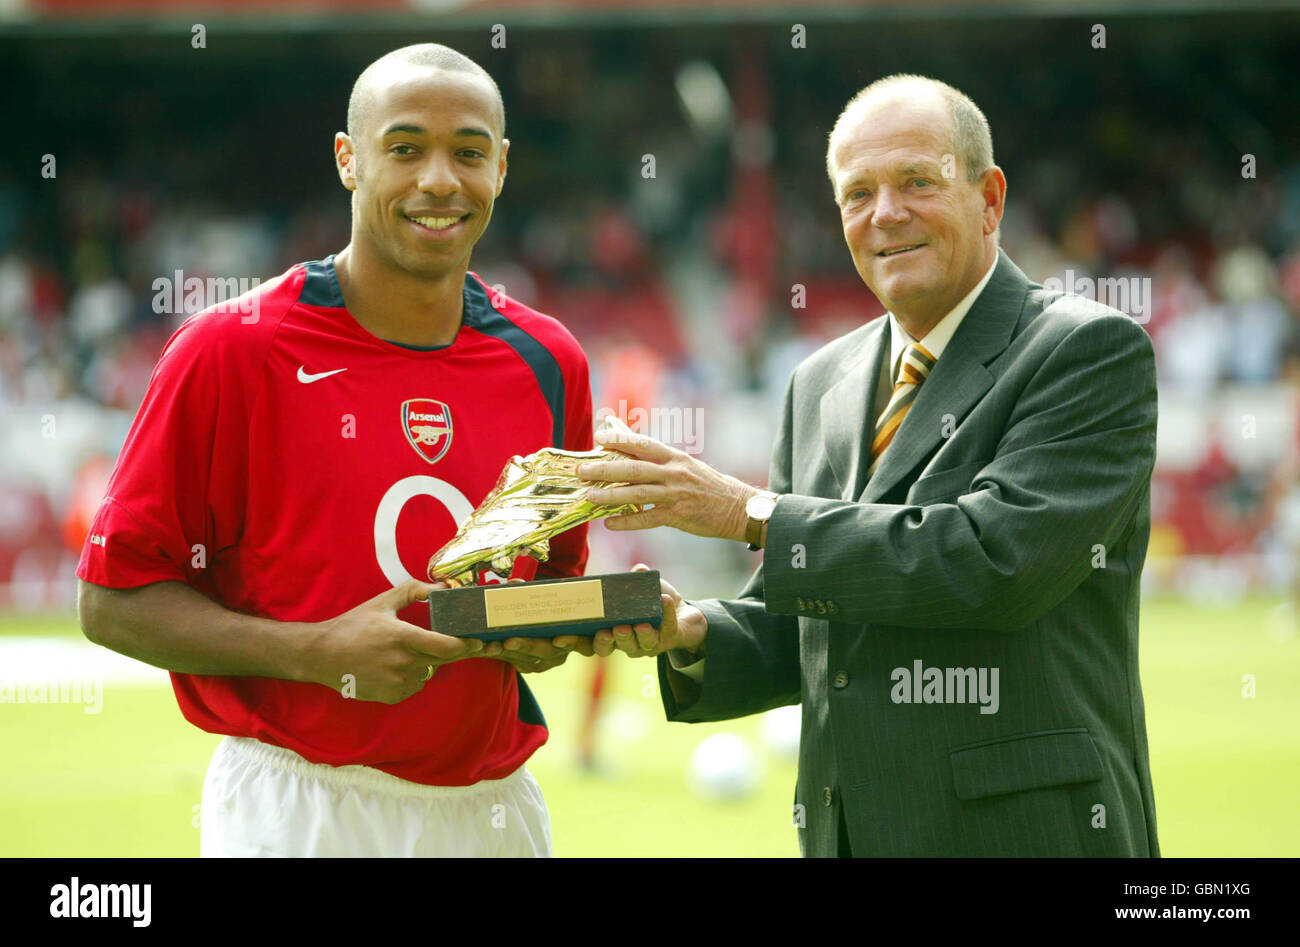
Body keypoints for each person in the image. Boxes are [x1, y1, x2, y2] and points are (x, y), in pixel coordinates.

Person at [567, 74, 1161, 857]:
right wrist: (694, 629)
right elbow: (813, 625)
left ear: (989, 198)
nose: (886, 213)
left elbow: (992, 562)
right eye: (858, 193)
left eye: (918, 181)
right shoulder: (817, 383)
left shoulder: (1085, 351)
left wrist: (744, 511)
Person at [75, 43, 590, 857]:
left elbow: (552, 585)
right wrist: (312, 653)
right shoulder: (230, 350)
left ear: (502, 168)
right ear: (349, 159)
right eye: (406, 147)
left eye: (468, 152)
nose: (438, 181)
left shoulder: (549, 360)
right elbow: (111, 599)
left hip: (494, 813)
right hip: (298, 804)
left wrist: (567, 625)